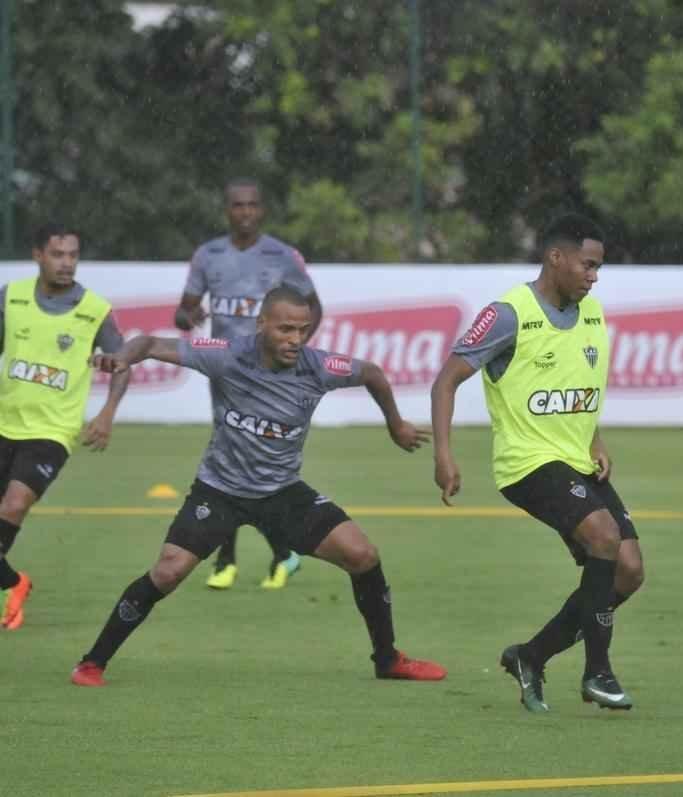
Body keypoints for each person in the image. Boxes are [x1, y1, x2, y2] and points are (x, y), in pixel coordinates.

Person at [71, 285, 445, 686]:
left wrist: (396, 424)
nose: (296, 339)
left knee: (363, 555)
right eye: (286, 329)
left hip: (281, 493)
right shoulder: (227, 354)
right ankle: (92, 663)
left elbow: (371, 372)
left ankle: (387, 660)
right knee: (167, 573)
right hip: (219, 491)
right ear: (262, 324)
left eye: (303, 330)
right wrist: (119, 357)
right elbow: (146, 343)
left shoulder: (319, 366)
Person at [431, 213, 644, 713]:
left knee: (627, 572)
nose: (594, 276)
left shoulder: (592, 314)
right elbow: (446, 380)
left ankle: (531, 656)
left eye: (598, 268)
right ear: (556, 258)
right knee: (604, 538)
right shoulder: (510, 313)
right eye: (588, 265)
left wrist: (594, 438)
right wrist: (444, 453)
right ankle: (598, 672)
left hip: (577, 461)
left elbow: (582, 388)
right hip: (526, 464)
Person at [175, 177, 323, 590]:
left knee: (245, 464)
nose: (245, 213)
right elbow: (183, 312)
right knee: (231, 459)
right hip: (227, 373)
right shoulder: (208, 256)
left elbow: (314, 307)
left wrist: (294, 355)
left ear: (262, 210)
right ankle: (274, 553)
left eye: (252, 205)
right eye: (237, 205)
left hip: (272, 376)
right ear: (227, 210)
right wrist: (189, 319)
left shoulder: (282, 256)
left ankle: (228, 560)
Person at [0, 222, 130, 630]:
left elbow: (121, 361)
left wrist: (107, 412)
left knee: (14, 505)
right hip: (4, 423)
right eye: (58, 254)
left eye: (73, 255)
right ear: (38, 255)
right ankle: (15, 582)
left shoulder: (94, 310)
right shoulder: (12, 297)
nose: (67, 263)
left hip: (52, 433)